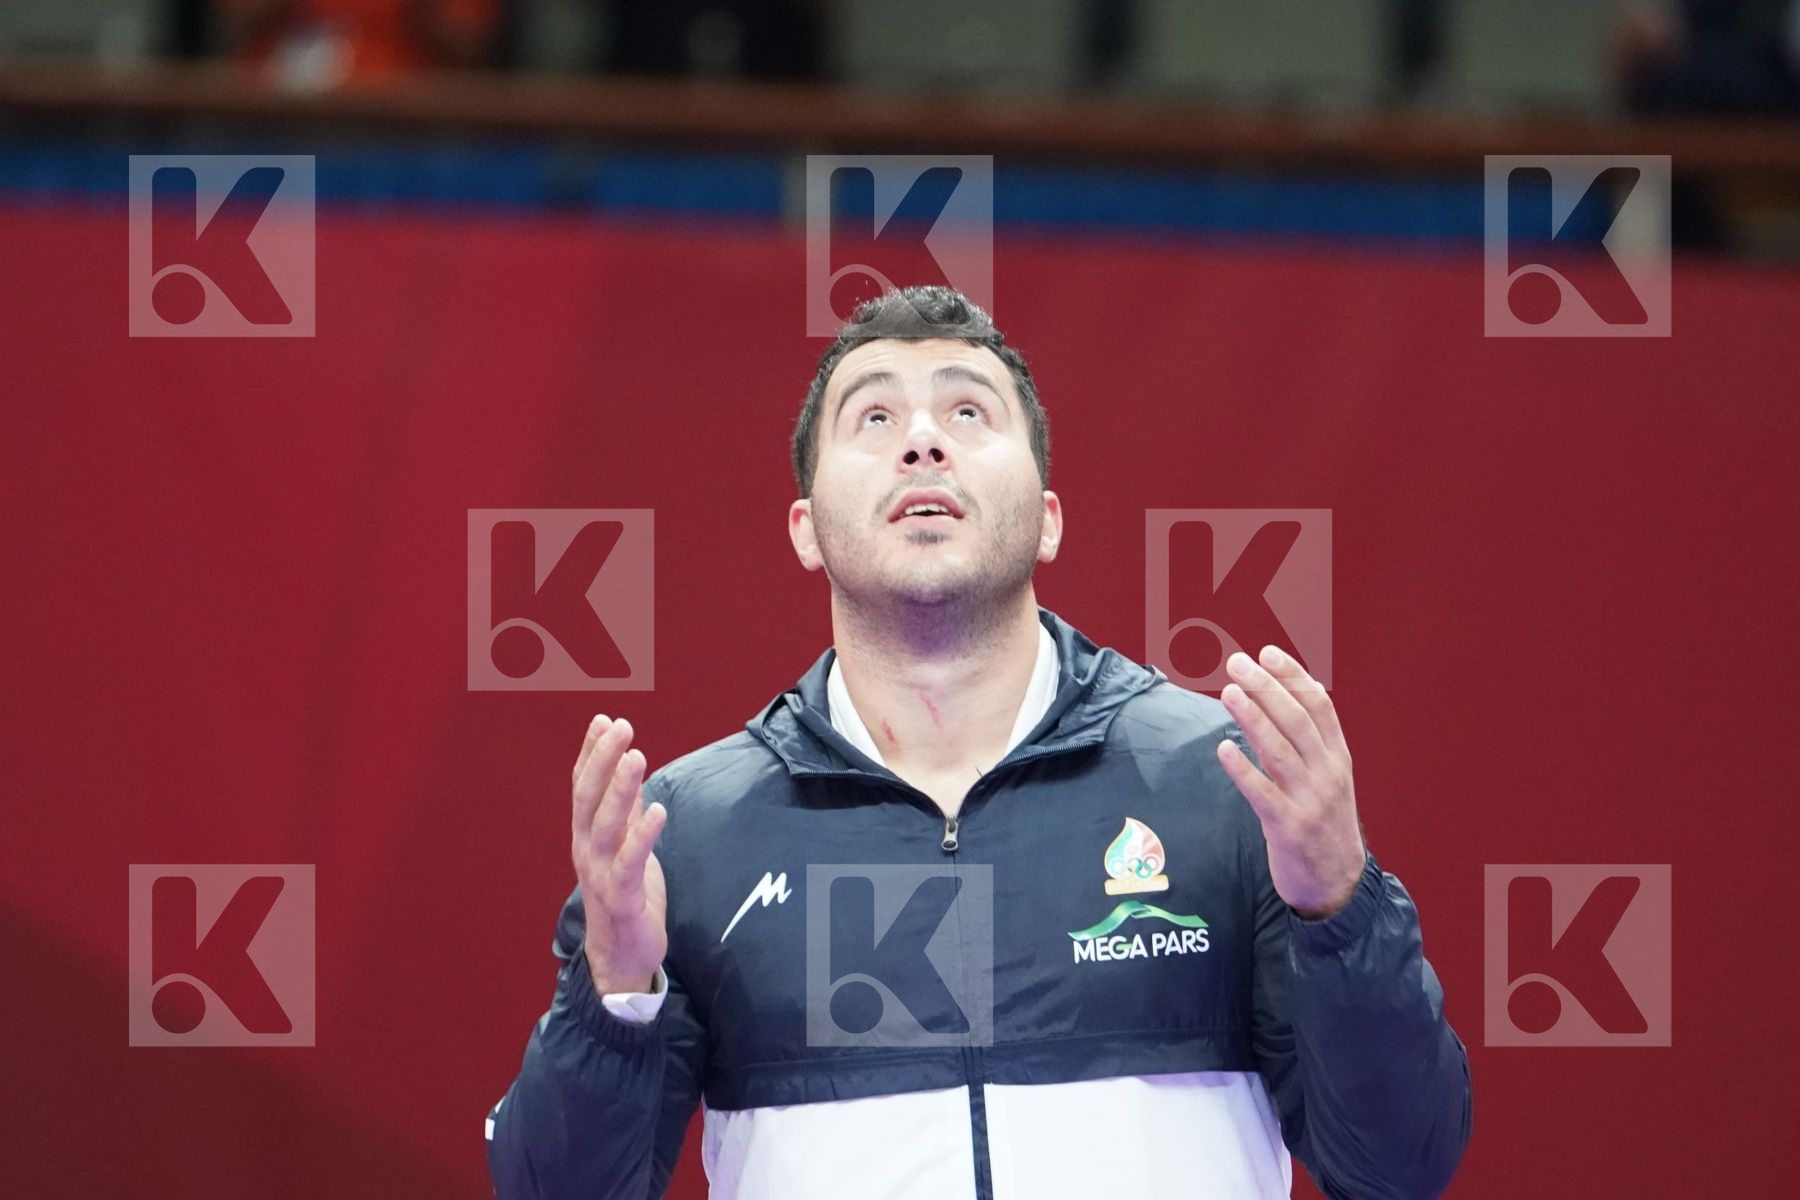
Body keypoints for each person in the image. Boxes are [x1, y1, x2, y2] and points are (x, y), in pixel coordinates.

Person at [485, 285, 1472, 1200]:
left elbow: (1398, 1163)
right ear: (806, 529)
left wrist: (1339, 907)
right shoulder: (687, 835)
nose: (922, 442)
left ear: (1046, 519)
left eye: (968, 413)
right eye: (873, 418)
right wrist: (616, 994)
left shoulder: (1222, 788)